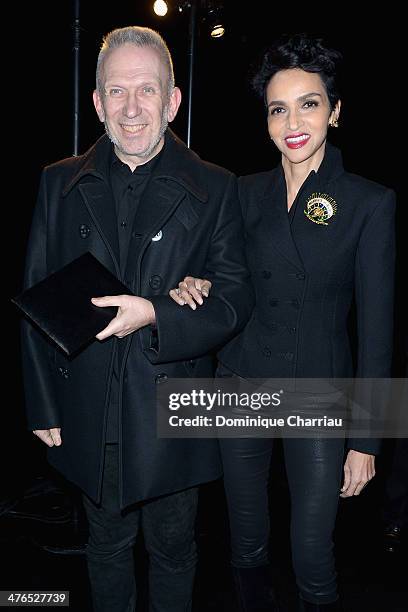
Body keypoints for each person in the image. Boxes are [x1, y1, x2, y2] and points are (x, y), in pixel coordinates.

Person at [21, 26, 253, 612]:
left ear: (173, 101)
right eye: (116, 92)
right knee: (104, 545)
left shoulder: (218, 187)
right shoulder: (57, 182)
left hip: (172, 406)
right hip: (89, 402)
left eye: (146, 90)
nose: (131, 109)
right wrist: (44, 404)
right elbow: (35, 298)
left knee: (174, 548)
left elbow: (232, 302)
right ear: (97, 101)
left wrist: (158, 312)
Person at [170, 34, 396, 611]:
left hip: (318, 392)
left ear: (336, 111)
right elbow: (223, 276)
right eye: (278, 108)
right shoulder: (242, 193)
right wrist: (197, 283)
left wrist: (367, 438)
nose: (292, 121)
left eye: (309, 103)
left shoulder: (369, 202)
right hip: (240, 384)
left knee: (311, 552)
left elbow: (376, 328)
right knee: (245, 543)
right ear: (266, 120)